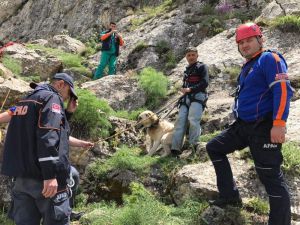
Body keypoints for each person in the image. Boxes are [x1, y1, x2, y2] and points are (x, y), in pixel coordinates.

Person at [206, 22, 293, 225]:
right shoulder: (249, 65)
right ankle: (230, 196)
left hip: (264, 128)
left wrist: (279, 123)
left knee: (270, 177)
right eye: (241, 42)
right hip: (243, 126)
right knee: (214, 147)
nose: (244, 45)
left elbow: (282, 90)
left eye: (249, 40)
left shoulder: (270, 59)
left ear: (260, 39)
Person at [1, 73, 91, 225]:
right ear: (61, 84)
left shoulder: (25, 100)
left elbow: (52, 130)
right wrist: (49, 176)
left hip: (22, 179)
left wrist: (67, 113)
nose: (66, 99)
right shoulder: (52, 99)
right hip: (44, 180)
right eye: (69, 94)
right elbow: (48, 136)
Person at [170, 47, 209, 157]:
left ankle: (193, 145)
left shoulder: (202, 67)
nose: (191, 57)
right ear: (186, 57)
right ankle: (175, 148)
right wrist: (183, 92)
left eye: (193, 55)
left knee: (193, 120)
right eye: (189, 55)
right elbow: (185, 85)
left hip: (198, 96)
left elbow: (205, 83)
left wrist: (190, 89)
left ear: (197, 55)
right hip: (186, 98)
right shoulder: (187, 70)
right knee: (180, 121)